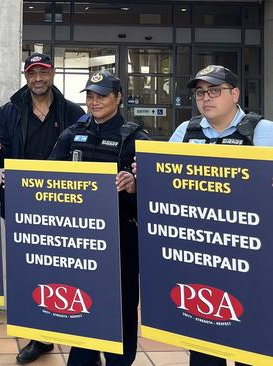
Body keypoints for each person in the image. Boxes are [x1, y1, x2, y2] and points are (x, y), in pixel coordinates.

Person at [0, 53, 85, 364]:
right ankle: (39, 337)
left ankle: (73, 329)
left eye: (43, 72)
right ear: (25, 76)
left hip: (63, 206)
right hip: (21, 204)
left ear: (51, 73)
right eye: (32, 73)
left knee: (64, 271)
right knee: (29, 270)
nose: (38, 78)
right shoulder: (9, 111)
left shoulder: (73, 112)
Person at [168, 65, 272, 366]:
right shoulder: (185, 131)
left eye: (215, 90)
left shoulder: (265, 132)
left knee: (252, 347)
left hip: (251, 260)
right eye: (200, 92)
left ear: (235, 94)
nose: (206, 98)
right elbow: (167, 185)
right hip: (202, 258)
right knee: (205, 346)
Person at [49, 70, 150, 366]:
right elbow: (49, 177)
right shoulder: (72, 134)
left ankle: (120, 359)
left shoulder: (135, 137)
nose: (94, 102)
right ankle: (84, 357)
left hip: (121, 241)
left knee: (121, 308)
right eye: (90, 96)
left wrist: (134, 186)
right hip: (80, 241)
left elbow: (156, 194)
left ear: (118, 98)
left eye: (102, 95)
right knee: (83, 303)